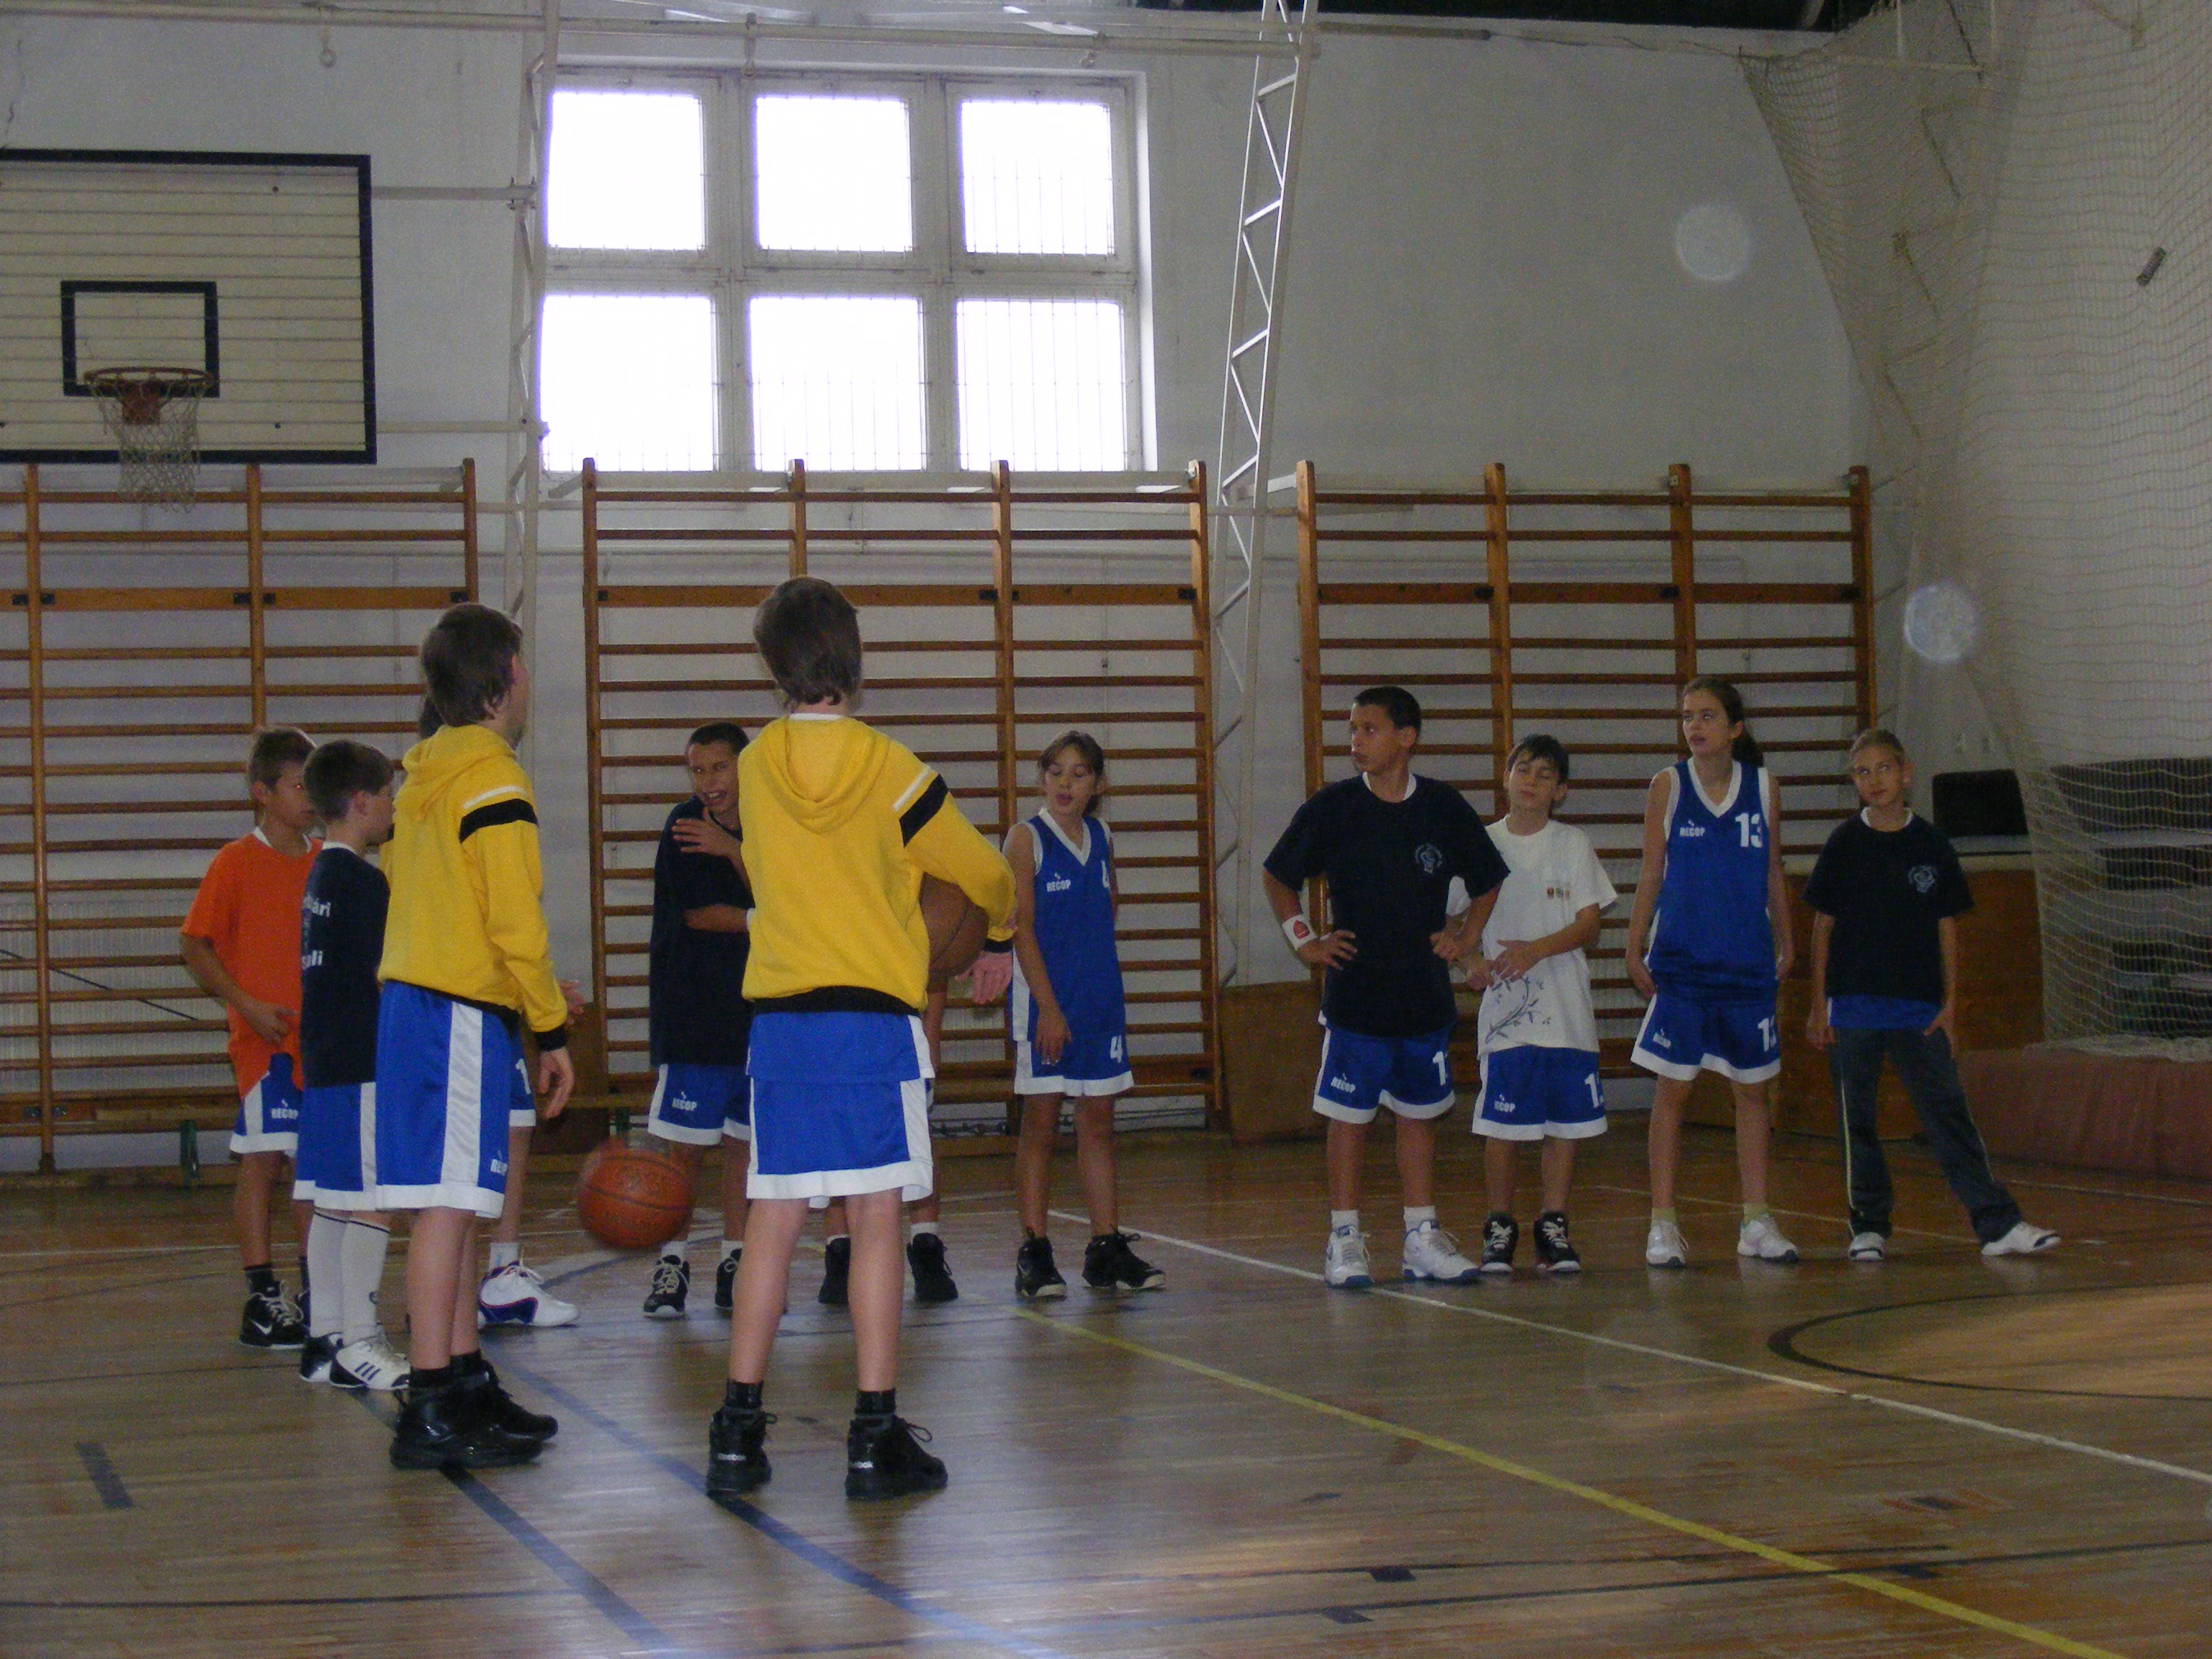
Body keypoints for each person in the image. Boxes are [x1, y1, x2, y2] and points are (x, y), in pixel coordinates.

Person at [705, 576, 1016, 1503]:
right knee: (877, 1218)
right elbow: (988, 872)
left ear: (771, 667)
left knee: (772, 1221)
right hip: (869, 1021)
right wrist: (997, 937)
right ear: (856, 654)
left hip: (781, 1024)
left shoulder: (754, 766)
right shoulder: (891, 768)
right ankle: (875, 1436)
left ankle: (736, 1433)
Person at [376, 603, 573, 1469]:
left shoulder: (420, 777)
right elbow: (514, 921)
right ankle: (428, 1402)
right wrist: (551, 1026)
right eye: (522, 665)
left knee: (451, 1206)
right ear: (505, 680)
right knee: (448, 1212)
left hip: (419, 1005)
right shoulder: (492, 780)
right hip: (455, 1009)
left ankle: (461, 1378)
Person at [1261, 686, 1507, 1290]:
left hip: (1423, 995)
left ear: (1407, 737)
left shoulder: (1443, 807)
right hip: (1356, 997)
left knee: (1419, 1117)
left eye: (1369, 729)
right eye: (1352, 729)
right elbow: (1278, 875)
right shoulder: (1334, 807)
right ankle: (1344, 1238)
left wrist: (1466, 938)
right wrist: (1305, 940)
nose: (1356, 741)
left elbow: (1488, 879)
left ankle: (1421, 1236)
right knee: (1349, 1118)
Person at [1804, 729, 2058, 1261]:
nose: (1874, 780)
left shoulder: (1932, 844)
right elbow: (1823, 926)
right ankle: (1868, 1226)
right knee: (1858, 1121)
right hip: (1853, 1008)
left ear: (1906, 773)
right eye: (1862, 772)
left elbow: (1947, 926)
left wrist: (1950, 1005)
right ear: (1854, 781)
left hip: (1919, 1008)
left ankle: (1997, 1224)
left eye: (1883, 768)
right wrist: (1818, 1004)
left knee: (1948, 1113)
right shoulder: (1844, 843)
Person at [1624, 676, 1797, 1269]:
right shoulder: (1669, 786)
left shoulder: (1765, 787)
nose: (1694, 726)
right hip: (1683, 965)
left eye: (1706, 715)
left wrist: (1786, 940)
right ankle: (1663, 1222)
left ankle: (1756, 1219)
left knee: (1752, 1095)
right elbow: (1652, 872)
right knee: (1673, 1093)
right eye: (1687, 716)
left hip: (1746, 964)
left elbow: (1772, 871)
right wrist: (1633, 944)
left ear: (1735, 727)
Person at [1003, 732, 1161, 1300]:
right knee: (1041, 1125)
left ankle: (1105, 1247)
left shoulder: (1102, 836)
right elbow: (1021, 928)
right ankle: (1034, 1251)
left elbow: (1108, 906)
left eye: (1079, 773)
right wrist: (1049, 1008)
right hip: (1047, 1004)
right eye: (1056, 772)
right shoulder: (1026, 838)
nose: (1066, 784)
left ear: (1098, 784)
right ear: (1041, 778)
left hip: (1099, 1001)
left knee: (1098, 1124)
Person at [181, 727, 320, 1349]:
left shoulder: (326, 861)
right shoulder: (235, 861)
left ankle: (316, 1289)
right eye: (298, 786)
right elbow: (195, 943)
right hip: (265, 1044)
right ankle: (262, 1296)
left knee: (313, 1168)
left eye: (314, 786)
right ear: (263, 793)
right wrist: (246, 1006)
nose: (309, 797)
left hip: (320, 1046)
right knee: (264, 1160)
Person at [1471, 735, 1617, 1274]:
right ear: (1505, 777)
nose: (1531, 780)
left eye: (1545, 774)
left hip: (1567, 1009)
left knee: (1565, 1126)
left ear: (1561, 791)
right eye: (1524, 769)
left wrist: (1535, 950)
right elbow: (1451, 919)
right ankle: (1499, 1226)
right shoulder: (1482, 844)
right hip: (1507, 1015)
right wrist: (1470, 961)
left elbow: (1589, 925)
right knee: (1503, 1127)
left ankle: (1553, 1224)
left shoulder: (1572, 844)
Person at [292, 739, 408, 1390]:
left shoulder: (320, 875)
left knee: (334, 1203)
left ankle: (325, 1339)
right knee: (371, 1204)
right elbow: (383, 975)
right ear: (362, 802)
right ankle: (361, 1340)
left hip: (325, 1060)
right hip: (362, 1061)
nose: (394, 807)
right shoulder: (364, 883)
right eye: (389, 796)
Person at [642, 721, 756, 1319]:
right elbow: (700, 915)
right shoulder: (683, 826)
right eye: (698, 769)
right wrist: (767, 920)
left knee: (743, 1148)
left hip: (758, 1013)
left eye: (719, 767)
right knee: (682, 1153)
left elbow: (787, 891)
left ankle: (736, 1261)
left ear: (744, 767)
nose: (708, 781)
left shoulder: (768, 822)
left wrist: (734, 850)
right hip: (694, 1014)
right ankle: (672, 1263)